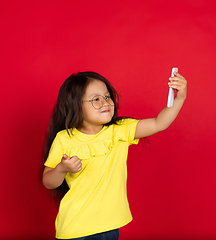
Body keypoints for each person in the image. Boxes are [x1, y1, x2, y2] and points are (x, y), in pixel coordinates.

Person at [41, 71, 187, 240]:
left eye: (107, 96)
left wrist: (179, 99)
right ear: (75, 105)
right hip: (75, 229)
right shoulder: (64, 139)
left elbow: (158, 123)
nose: (105, 103)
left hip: (109, 227)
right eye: (96, 99)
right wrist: (61, 169)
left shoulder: (120, 130)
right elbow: (48, 181)